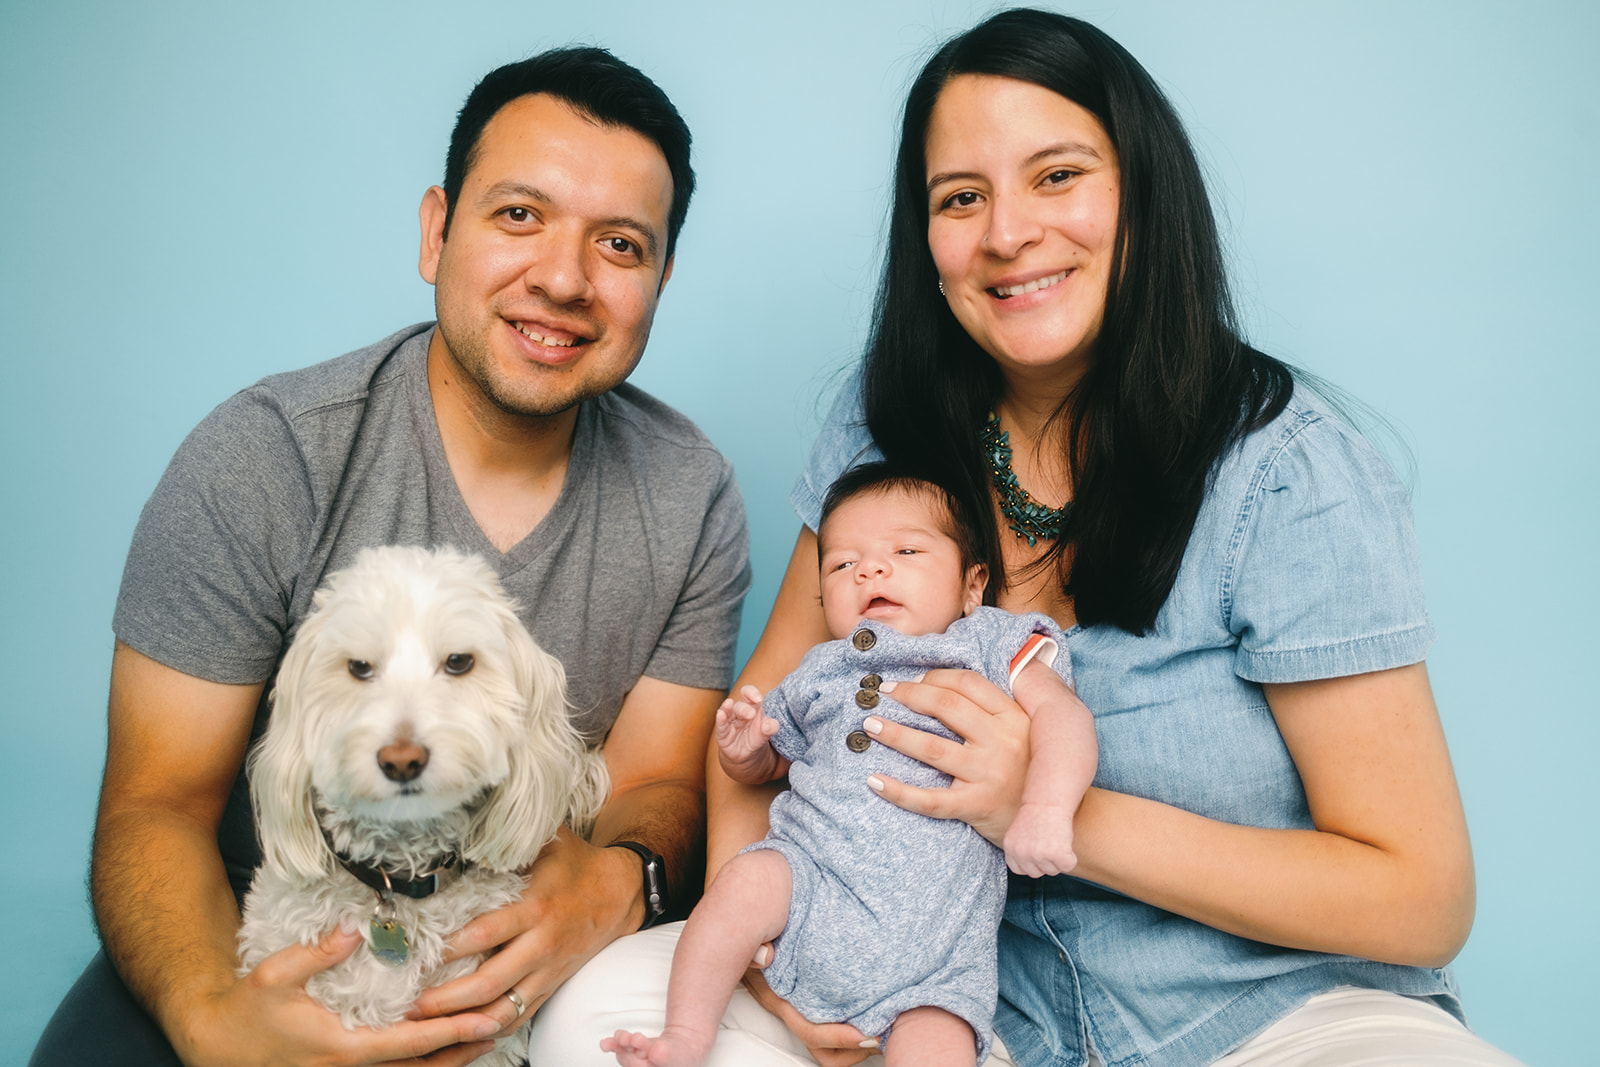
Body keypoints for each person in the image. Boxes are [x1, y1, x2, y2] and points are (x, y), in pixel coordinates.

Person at [691, 9, 1524, 1067]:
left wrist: (1038, 806)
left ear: (1141, 191)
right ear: (925, 238)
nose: (1005, 234)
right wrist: (765, 947)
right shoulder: (880, 431)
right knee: (611, 1019)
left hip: (1274, 1015)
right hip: (958, 1009)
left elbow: (1419, 893)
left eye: (1056, 176)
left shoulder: (1284, 471)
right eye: (961, 198)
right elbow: (756, 735)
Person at [30, 46, 751, 1067]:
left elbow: (651, 786)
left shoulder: (691, 491)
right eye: (518, 215)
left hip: (517, 933)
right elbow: (158, 805)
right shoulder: (263, 455)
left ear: (660, 277)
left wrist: (619, 877)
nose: (561, 277)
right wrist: (213, 1015)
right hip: (247, 921)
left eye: (620, 244)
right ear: (436, 229)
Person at [600, 465, 1094, 1067]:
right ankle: (682, 1036)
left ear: (973, 584)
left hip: (936, 951)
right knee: (741, 886)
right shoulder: (824, 668)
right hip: (810, 887)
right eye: (841, 565)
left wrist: (1046, 808)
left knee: (939, 1040)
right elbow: (770, 763)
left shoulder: (989, 643)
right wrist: (744, 750)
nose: (870, 569)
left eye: (906, 550)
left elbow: (1066, 719)